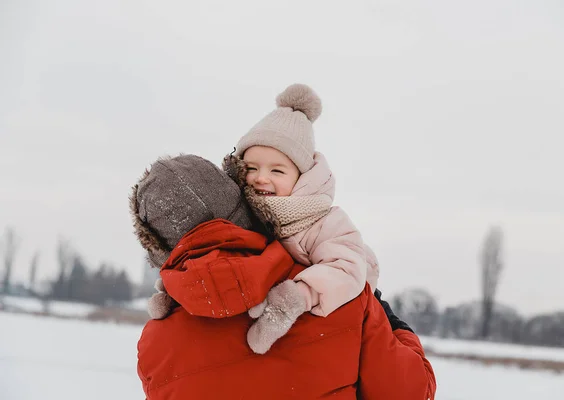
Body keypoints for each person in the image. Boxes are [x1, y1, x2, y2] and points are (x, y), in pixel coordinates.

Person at [132, 154, 436, 399]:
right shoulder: (331, 295)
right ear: (242, 203)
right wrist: (386, 315)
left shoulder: (155, 344)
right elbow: (411, 393)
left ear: (161, 247)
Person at [231, 83, 380, 353]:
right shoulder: (238, 214)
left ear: (302, 178)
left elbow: (345, 269)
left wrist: (294, 298)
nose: (261, 178)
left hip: (327, 319)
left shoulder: (325, 222)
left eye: (277, 171)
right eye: (251, 168)